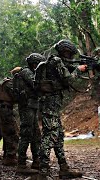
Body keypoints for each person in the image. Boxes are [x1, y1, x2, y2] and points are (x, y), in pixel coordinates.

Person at [34, 39, 86, 179]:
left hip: (52, 105)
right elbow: (68, 79)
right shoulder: (56, 61)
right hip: (50, 104)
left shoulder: (53, 62)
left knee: (58, 137)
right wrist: (78, 70)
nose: (70, 57)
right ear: (66, 51)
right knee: (49, 136)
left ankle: (64, 169)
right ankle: (42, 172)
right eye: (70, 54)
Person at [16, 53, 44, 174]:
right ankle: (21, 164)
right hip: (27, 106)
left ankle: (36, 160)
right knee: (26, 133)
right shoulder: (27, 72)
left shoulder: (30, 72)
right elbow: (36, 84)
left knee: (36, 135)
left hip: (32, 106)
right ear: (34, 64)